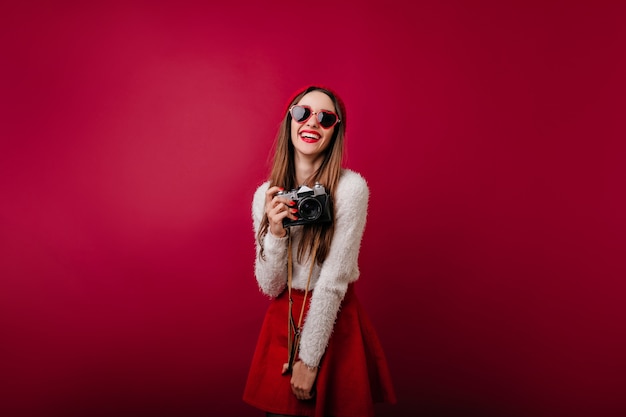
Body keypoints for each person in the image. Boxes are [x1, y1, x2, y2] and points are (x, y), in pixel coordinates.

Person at [243, 85, 396, 417]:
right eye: (302, 112)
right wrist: (277, 233)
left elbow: (333, 281)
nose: (311, 123)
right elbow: (270, 287)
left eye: (325, 118)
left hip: (331, 321)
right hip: (283, 321)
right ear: (289, 120)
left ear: (335, 131)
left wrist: (309, 360)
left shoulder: (350, 188)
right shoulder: (266, 196)